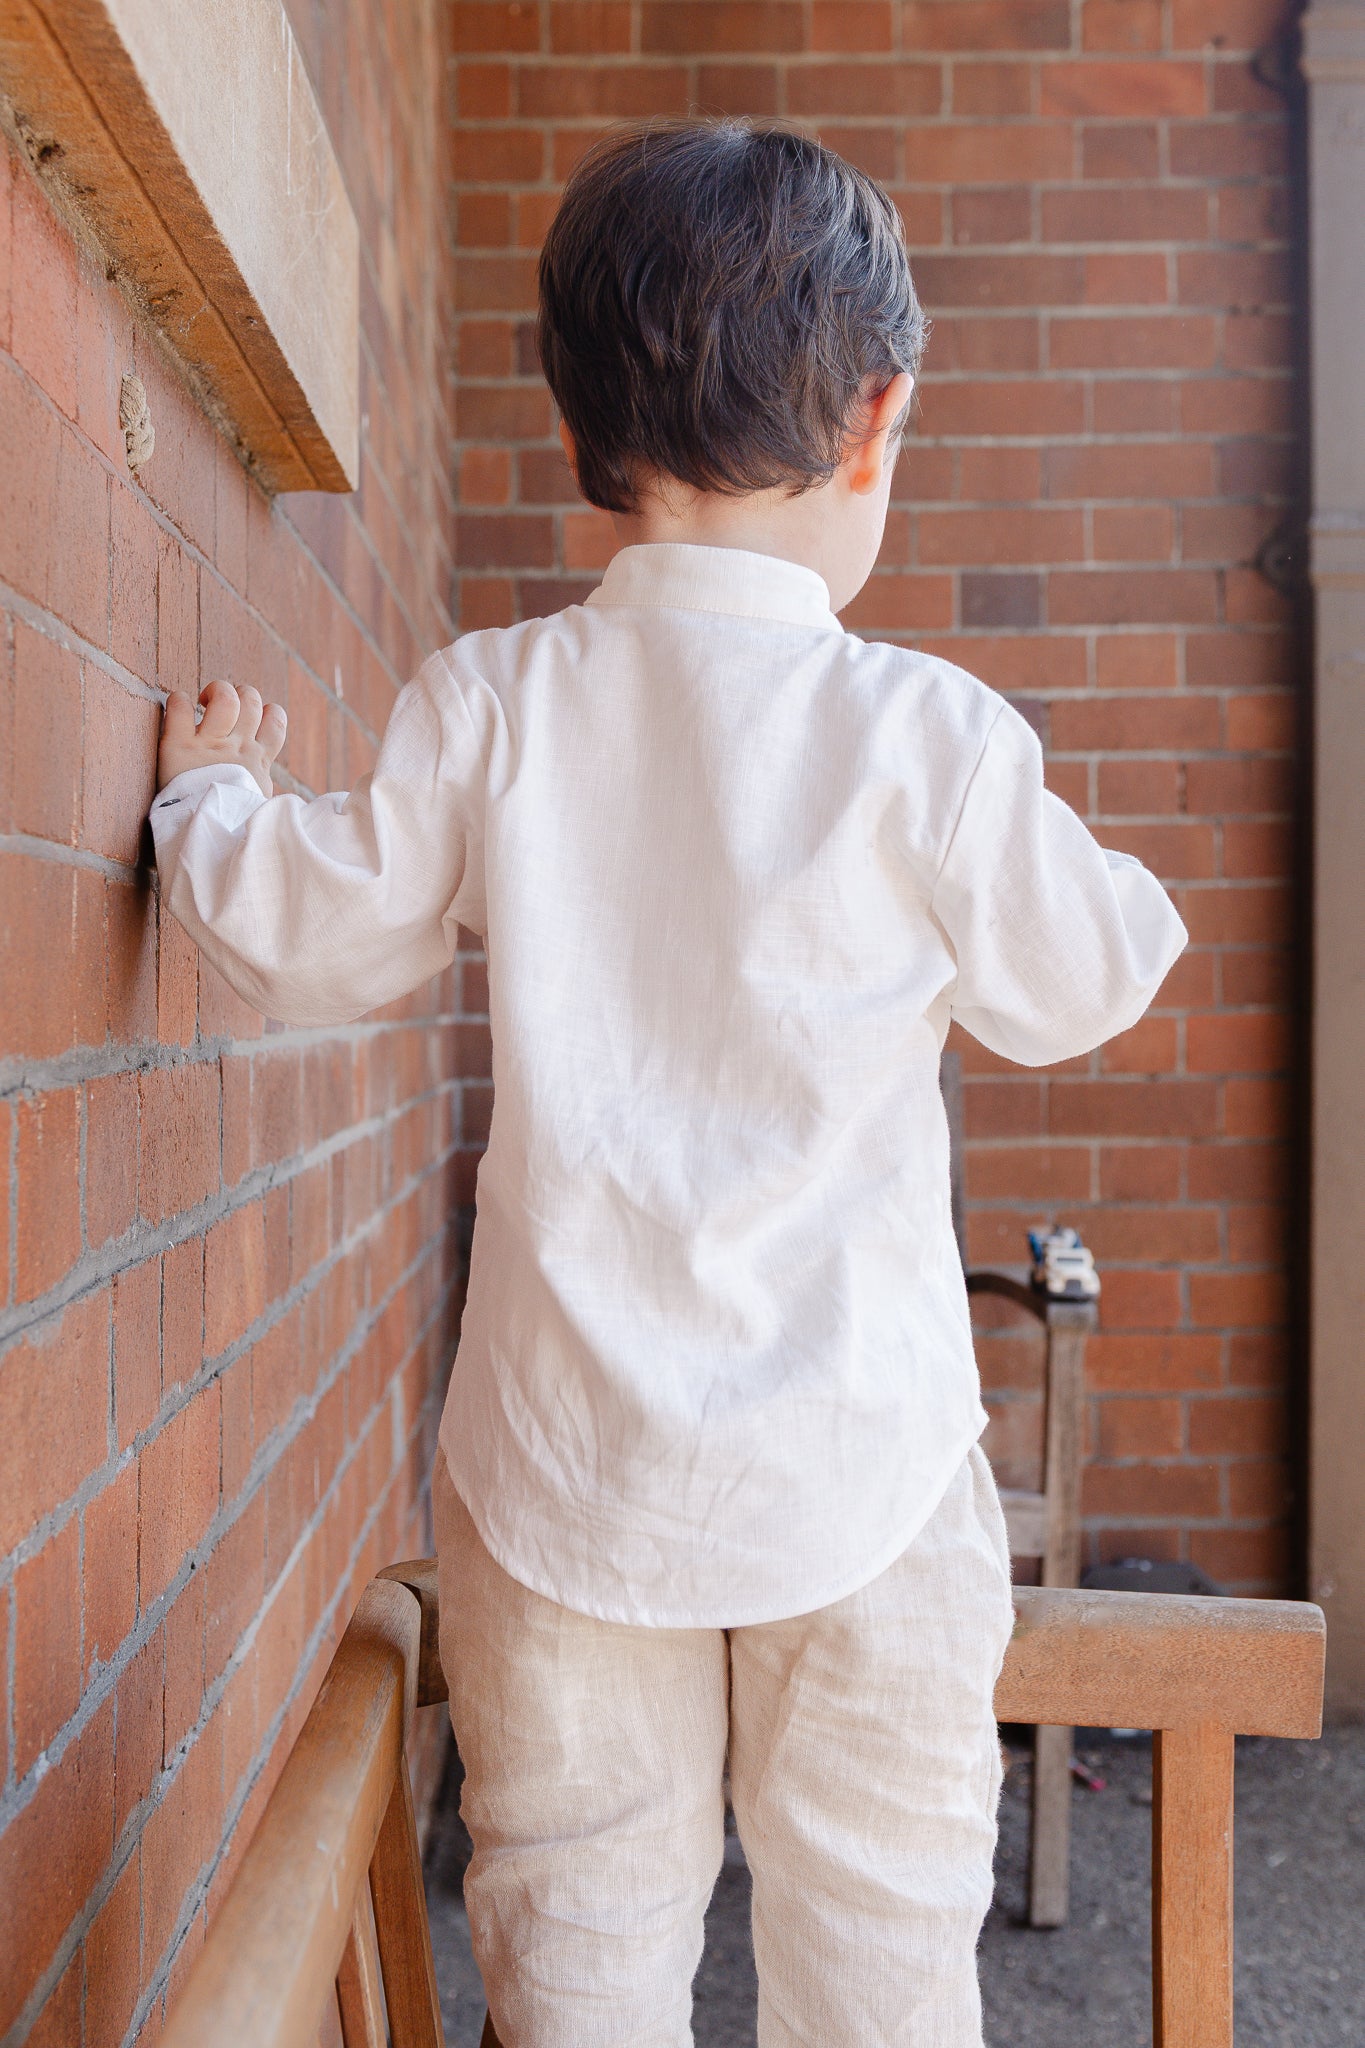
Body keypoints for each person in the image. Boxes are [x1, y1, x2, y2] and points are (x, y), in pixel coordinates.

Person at [151, 120, 1186, 2048]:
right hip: (861, 1463)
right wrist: (1115, 888)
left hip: (564, 1468)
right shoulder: (928, 738)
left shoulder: (492, 702)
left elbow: (311, 935)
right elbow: (1077, 984)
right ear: (875, 421)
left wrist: (213, 797)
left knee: (578, 1944)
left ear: (581, 431)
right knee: (881, 1955)